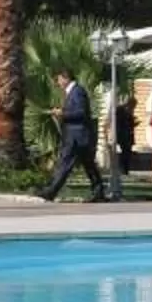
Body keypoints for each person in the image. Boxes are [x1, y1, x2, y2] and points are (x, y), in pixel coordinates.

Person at [40, 69, 106, 203]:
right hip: (78, 136)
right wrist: (62, 111)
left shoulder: (77, 92)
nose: (58, 83)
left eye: (59, 79)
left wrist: (62, 114)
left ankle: (51, 191)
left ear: (66, 78)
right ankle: (98, 191)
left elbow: (81, 112)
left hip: (76, 135)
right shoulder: (73, 92)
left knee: (65, 163)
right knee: (89, 165)